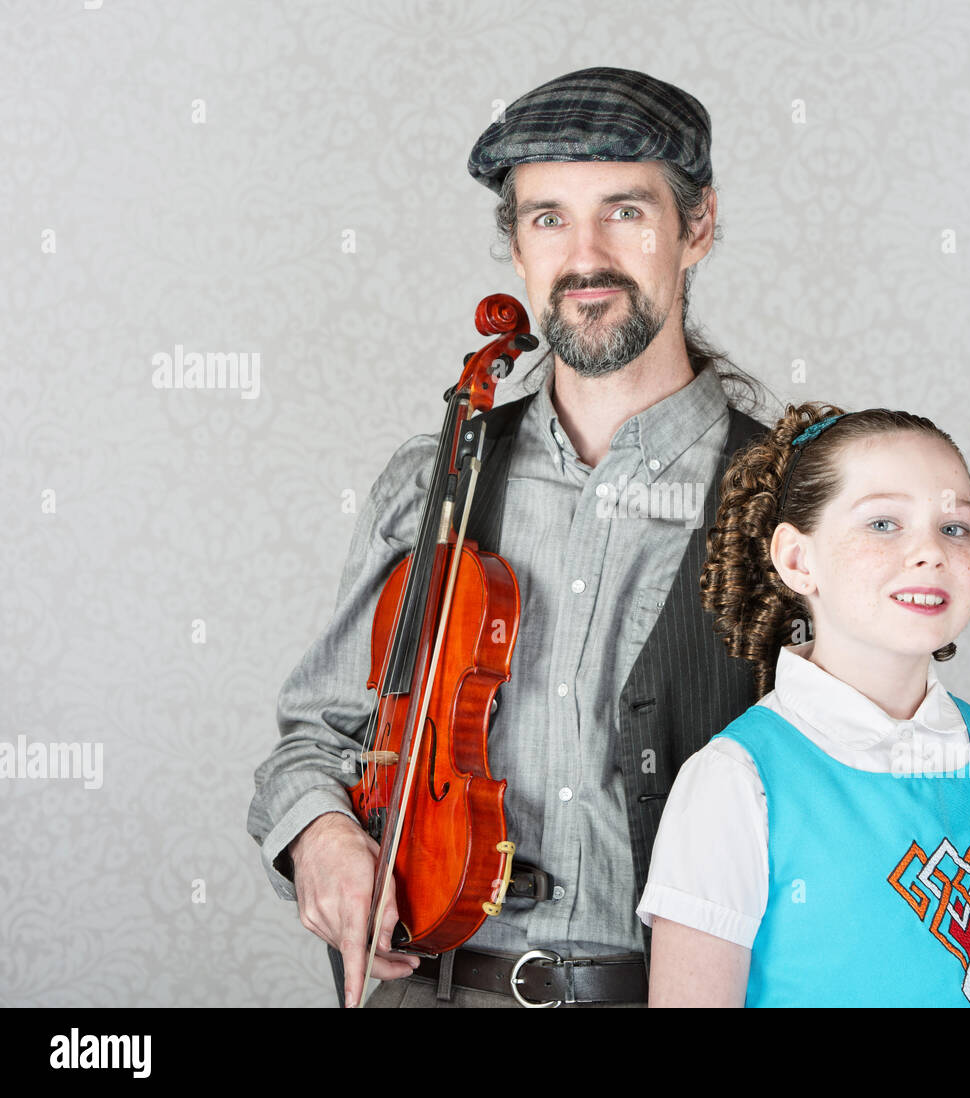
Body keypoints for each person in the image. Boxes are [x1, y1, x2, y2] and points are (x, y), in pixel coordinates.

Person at [246, 67, 771, 1008]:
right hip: (437, 988)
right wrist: (321, 835)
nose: (585, 257)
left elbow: (860, 765)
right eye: (548, 218)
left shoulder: (787, 494)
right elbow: (315, 739)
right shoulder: (435, 481)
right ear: (519, 247)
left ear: (697, 228)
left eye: (625, 212)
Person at [638, 404, 970, 1007]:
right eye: (883, 523)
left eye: (955, 528)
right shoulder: (735, 782)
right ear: (798, 560)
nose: (930, 551)